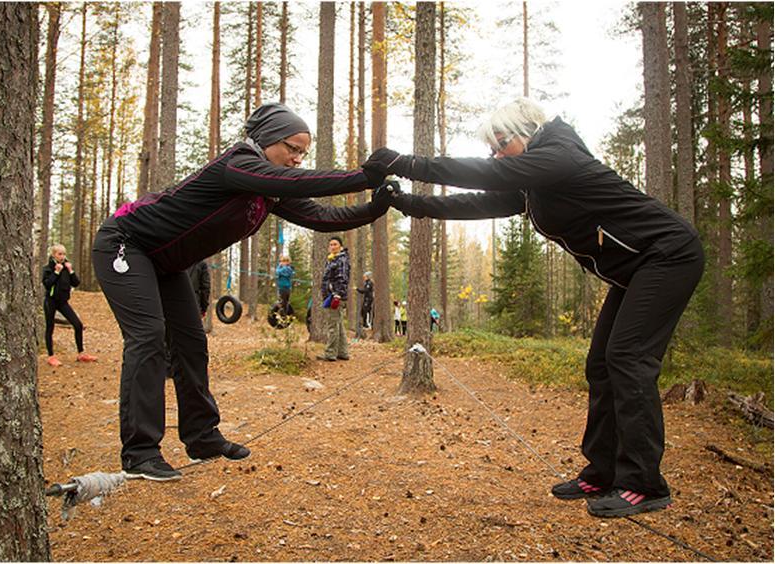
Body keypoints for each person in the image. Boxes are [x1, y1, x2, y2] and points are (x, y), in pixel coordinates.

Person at [365, 97, 704, 518]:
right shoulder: (533, 181)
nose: (496, 154)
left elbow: (490, 175)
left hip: (668, 255)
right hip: (638, 268)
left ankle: (644, 484)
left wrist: (407, 162)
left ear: (527, 132)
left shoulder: (559, 155)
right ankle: (602, 471)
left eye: (501, 143)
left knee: (628, 357)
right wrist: (407, 203)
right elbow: (476, 203)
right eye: (492, 148)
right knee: (601, 364)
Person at [92, 103, 394, 481]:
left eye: (303, 152)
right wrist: (362, 176)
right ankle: (139, 452)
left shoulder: (269, 187)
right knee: (149, 337)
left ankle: (201, 437)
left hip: (165, 263)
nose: (298, 159)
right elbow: (298, 183)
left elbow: (321, 217)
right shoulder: (237, 164)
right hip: (125, 243)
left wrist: (374, 208)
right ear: (267, 140)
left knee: (190, 342)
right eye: (292, 148)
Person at [41, 244, 98, 367]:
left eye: (64, 254)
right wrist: (56, 272)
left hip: (63, 302)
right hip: (50, 302)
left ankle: (81, 353)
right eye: (59, 254)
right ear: (53, 255)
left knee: (78, 325)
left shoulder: (67, 268)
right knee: (50, 328)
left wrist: (71, 270)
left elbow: (76, 283)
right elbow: (47, 284)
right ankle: (51, 356)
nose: (62, 256)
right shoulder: (48, 268)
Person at [316, 236, 350, 362]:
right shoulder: (332, 259)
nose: (332, 246)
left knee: (332, 326)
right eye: (330, 244)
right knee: (338, 325)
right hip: (331, 295)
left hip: (335, 296)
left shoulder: (341, 260)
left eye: (335, 244)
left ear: (340, 246)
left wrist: (337, 294)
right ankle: (343, 352)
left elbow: (343, 278)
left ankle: (330, 353)